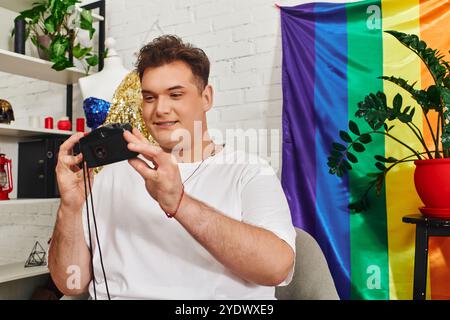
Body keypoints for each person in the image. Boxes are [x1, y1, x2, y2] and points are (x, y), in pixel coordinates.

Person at [48, 35, 296, 300]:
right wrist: (70, 208)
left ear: (206, 97)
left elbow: (276, 269)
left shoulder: (249, 172)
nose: (161, 109)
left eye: (176, 94)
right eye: (150, 97)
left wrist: (178, 203)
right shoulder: (110, 175)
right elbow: (71, 284)